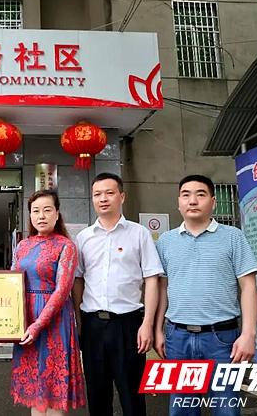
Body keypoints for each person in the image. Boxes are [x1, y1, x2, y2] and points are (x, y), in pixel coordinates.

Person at [154, 175, 257, 416]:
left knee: (226, 409)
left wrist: (249, 334)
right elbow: (161, 288)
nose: (193, 201)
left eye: (200, 194)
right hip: (177, 338)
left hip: (221, 340)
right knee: (181, 409)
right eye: (186, 195)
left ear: (213, 202)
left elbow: (249, 286)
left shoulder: (233, 237)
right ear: (178, 202)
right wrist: (158, 330)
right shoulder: (166, 242)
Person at [72, 172, 162, 416]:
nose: (103, 199)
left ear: (122, 196)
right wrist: (80, 322)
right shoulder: (83, 238)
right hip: (93, 326)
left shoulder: (139, 234)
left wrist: (147, 324)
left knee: (132, 397)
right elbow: (77, 280)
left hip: (128, 324)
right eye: (97, 194)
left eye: (109, 193)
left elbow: (152, 279)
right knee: (98, 397)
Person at [11, 189, 86, 415]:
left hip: (54, 321)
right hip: (25, 317)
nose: (41, 215)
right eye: (35, 211)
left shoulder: (66, 246)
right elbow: (12, 281)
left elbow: (63, 290)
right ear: (30, 216)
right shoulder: (23, 245)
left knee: (52, 390)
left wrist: (38, 324)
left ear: (57, 214)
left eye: (47, 210)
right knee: (35, 390)